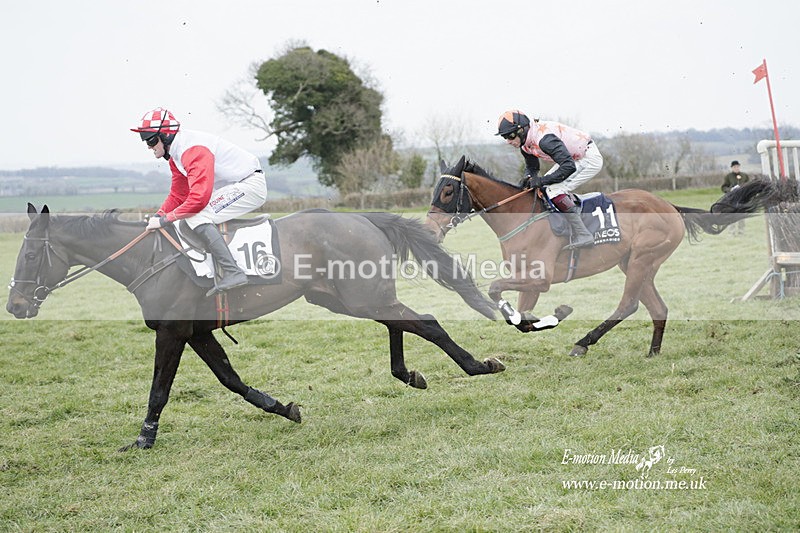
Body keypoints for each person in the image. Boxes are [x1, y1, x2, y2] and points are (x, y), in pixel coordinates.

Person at [131, 107, 268, 296]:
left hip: (250, 185)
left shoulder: (192, 151)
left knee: (196, 215)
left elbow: (198, 200)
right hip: (235, 185)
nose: (148, 145)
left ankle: (233, 272)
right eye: (145, 140)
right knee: (184, 216)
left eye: (151, 139)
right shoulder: (176, 156)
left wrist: (164, 220)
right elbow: (178, 196)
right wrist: (158, 216)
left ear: (166, 135)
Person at [496, 110, 603, 250]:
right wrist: (529, 178)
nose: (508, 141)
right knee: (545, 188)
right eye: (504, 137)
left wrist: (541, 181)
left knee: (554, 190)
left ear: (522, 130)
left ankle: (584, 234)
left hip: (587, 158)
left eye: (510, 136)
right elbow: (532, 167)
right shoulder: (525, 144)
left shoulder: (544, 140)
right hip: (572, 159)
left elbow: (568, 167)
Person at [721, 160, 749, 236]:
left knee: (741, 215)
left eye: (737, 166)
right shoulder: (728, 177)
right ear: (732, 168)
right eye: (734, 167)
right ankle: (732, 232)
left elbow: (749, 185)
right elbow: (723, 187)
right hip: (732, 199)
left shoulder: (744, 176)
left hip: (742, 198)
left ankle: (741, 232)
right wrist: (730, 190)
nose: (736, 168)